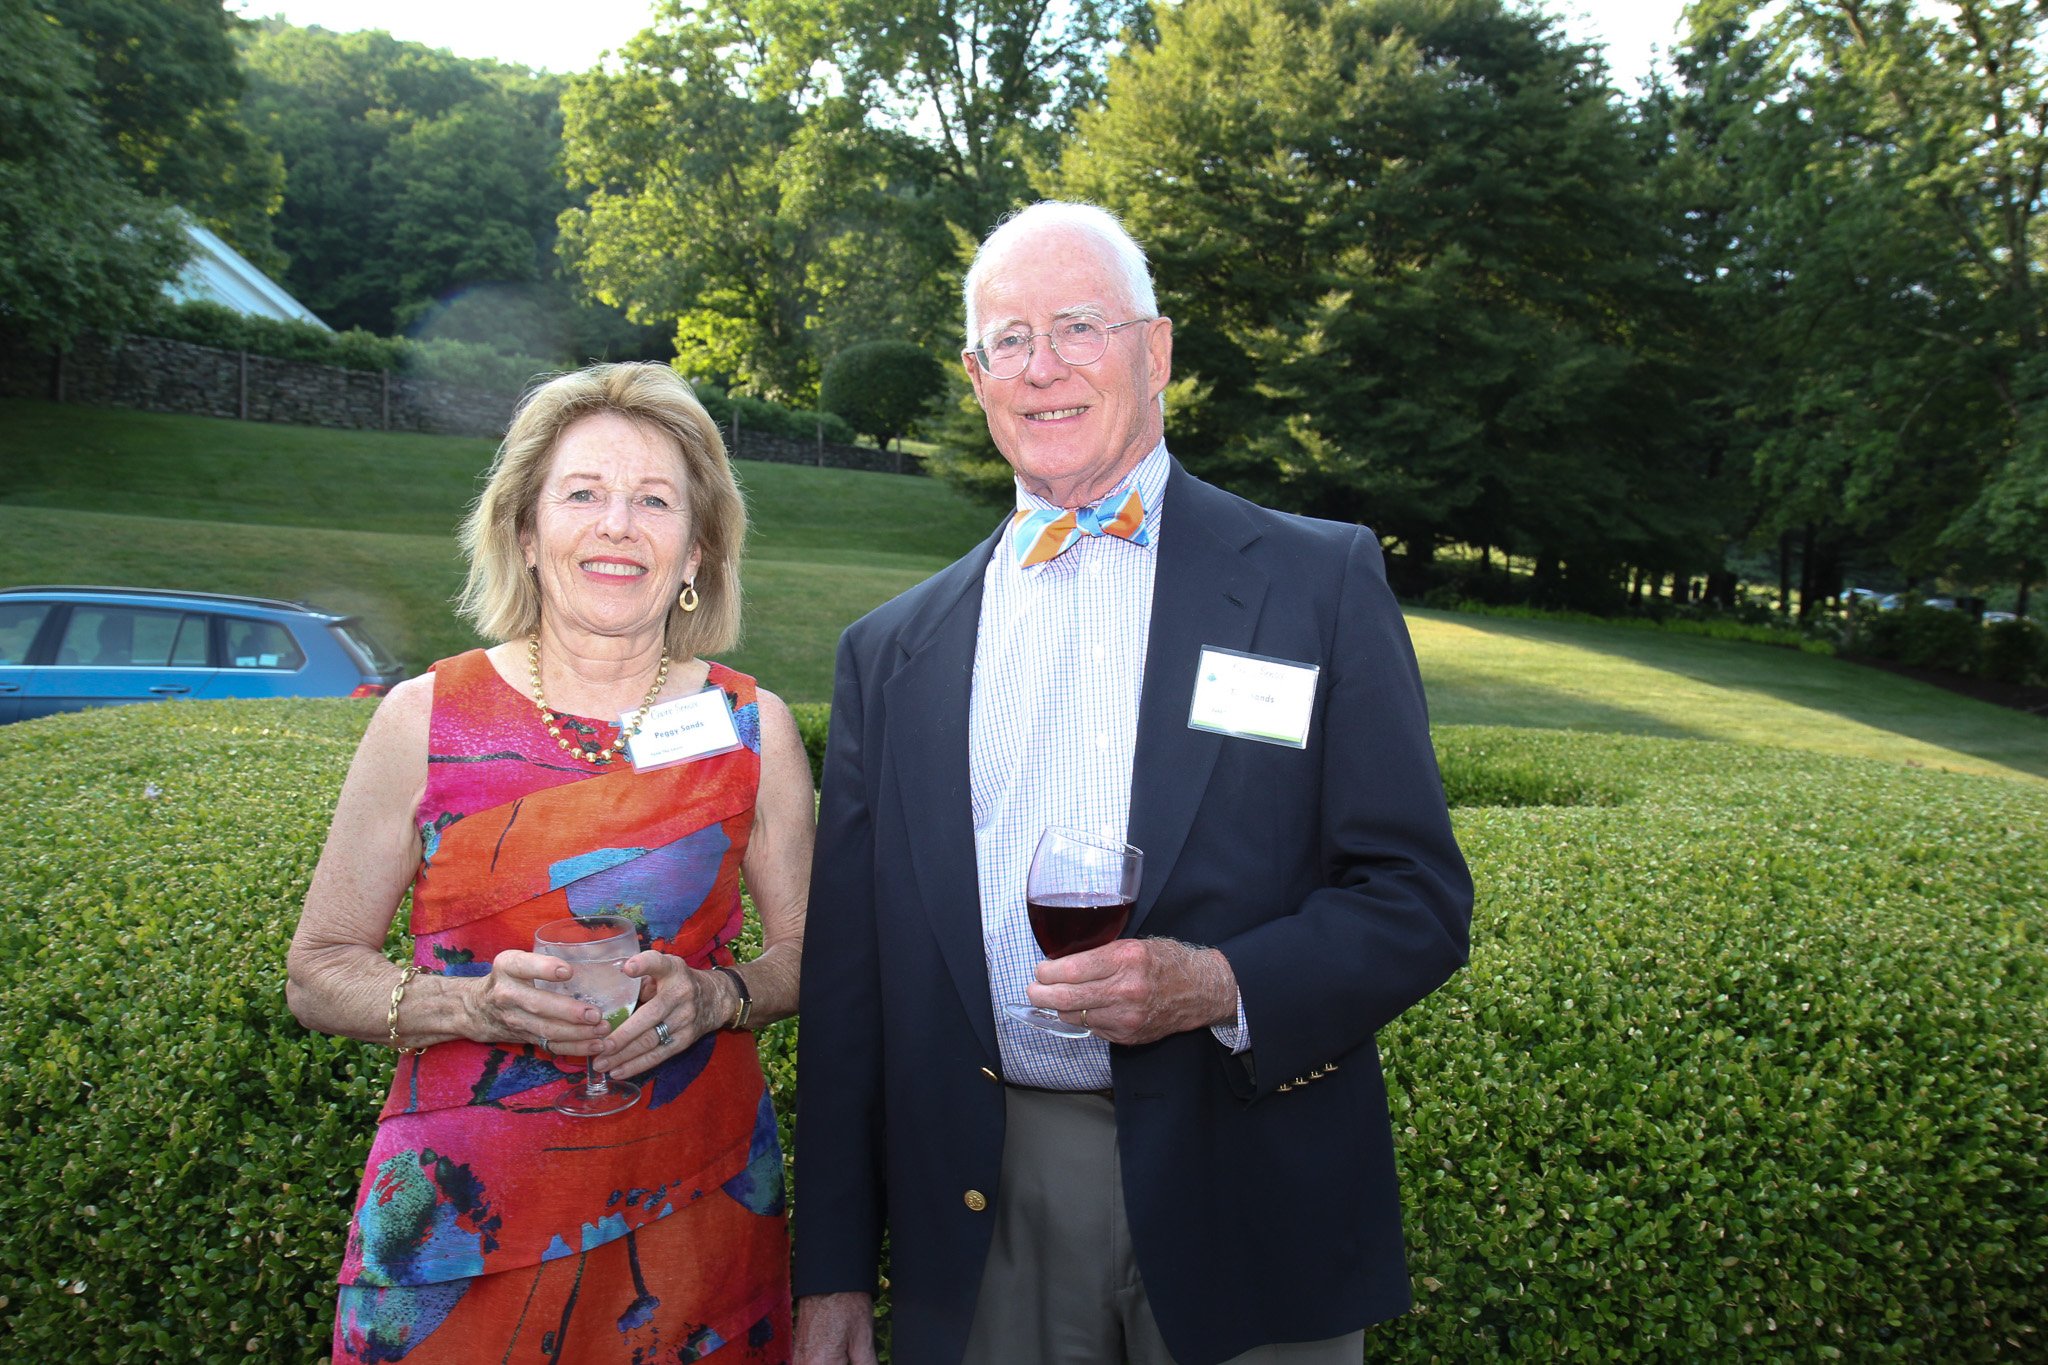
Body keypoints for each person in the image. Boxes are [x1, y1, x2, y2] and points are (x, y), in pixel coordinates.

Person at [790, 202, 1474, 1365]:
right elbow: (849, 979)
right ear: (974, 376)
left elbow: (1414, 897)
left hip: (1245, 1176)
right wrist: (835, 1272)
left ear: (1153, 353)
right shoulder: (889, 653)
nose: (1042, 364)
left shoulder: (1315, 581)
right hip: (988, 1198)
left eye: (1076, 326)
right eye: (1009, 339)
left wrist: (1217, 983)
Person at [288, 362, 813, 1363]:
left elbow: (811, 954)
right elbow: (318, 972)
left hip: (691, 1220)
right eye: (583, 494)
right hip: (459, 1224)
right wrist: (473, 1006)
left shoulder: (753, 727)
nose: (617, 525)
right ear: (525, 533)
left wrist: (719, 997)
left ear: (696, 545)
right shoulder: (424, 718)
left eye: (653, 500)